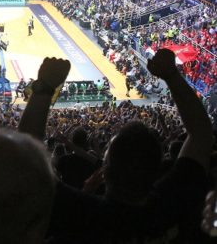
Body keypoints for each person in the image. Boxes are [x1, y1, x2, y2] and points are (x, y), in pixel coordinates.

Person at [20, 50, 213, 243]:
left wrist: (45, 87)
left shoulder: (84, 214)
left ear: (105, 170)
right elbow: (202, 134)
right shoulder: (170, 205)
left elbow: (24, 158)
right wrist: (172, 75)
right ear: (158, 168)